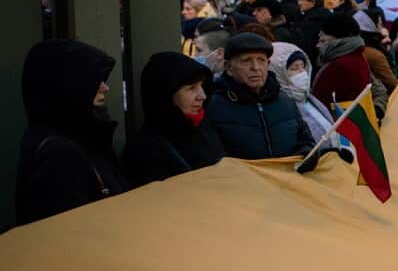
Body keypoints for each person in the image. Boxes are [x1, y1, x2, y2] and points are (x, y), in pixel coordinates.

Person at [14, 40, 131, 226]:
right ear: (67, 84)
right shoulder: (58, 154)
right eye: (93, 79)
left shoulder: (84, 137)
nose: (105, 87)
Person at [205, 33, 316, 159]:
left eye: (261, 60)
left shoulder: (285, 101)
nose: (256, 68)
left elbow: (306, 141)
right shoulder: (213, 106)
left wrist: (305, 155)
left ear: (268, 64)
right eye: (246, 61)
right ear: (229, 67)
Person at [122, 52, 225, 184]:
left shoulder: (205, 128)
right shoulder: (145, 149)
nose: (202, 96)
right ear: (166, 94)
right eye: (191, 88)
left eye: (202, 86)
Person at [269, 43, 336, 144]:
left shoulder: (309, 99)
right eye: (294, 68)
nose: (302, 72)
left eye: (303, 67)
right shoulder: (279, 107)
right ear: (279, 73)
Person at [312, 13, 374, 106]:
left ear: (337, 39)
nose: (318, 45)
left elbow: (323, 101)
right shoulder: (356, 56)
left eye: (323, 39)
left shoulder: (340, 66)